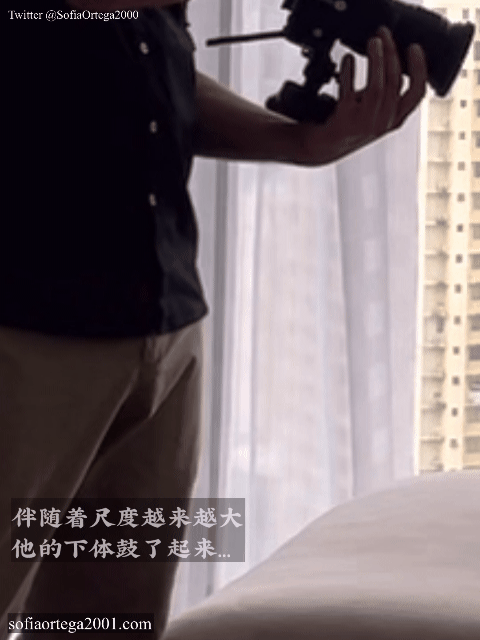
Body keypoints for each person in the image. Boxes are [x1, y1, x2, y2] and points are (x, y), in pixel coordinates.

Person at [1, 0, 427, 638]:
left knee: (105, 621)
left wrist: (296, 142)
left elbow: (154, 65)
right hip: (29, 328)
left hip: (165, 327)